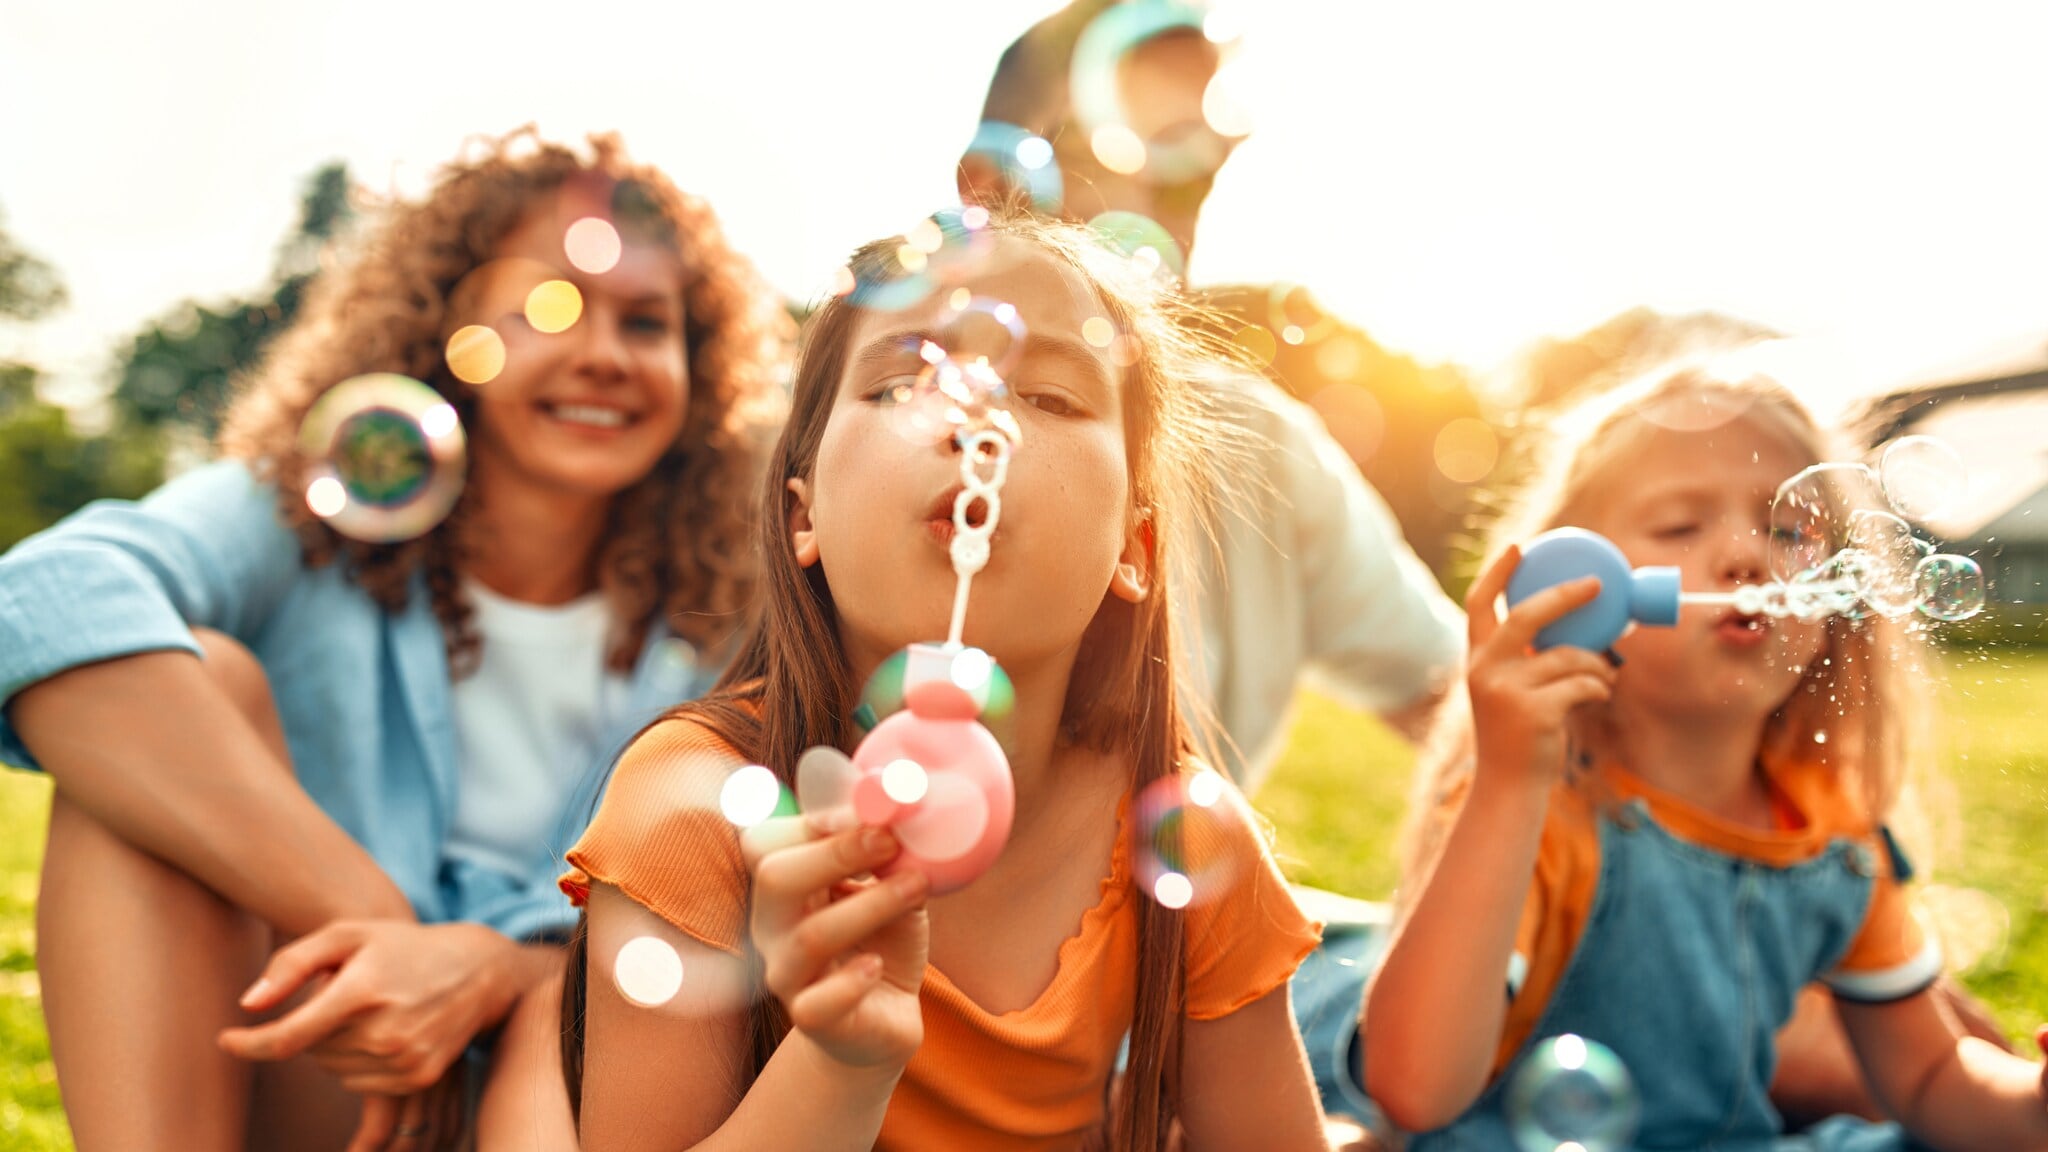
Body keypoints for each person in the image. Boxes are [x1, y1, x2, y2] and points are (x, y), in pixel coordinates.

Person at [0, 128, 790, 1150]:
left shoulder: (734, 613)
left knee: (569, 997)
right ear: (446, 334)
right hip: (326, 1058)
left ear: (699, 369)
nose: (600, 353)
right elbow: (45, 598)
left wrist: (494, 972)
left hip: (587, 1096)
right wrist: (371, 915)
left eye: (647, 323)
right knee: (186, 682)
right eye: (547, 308)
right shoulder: (301, 517)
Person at [540, 213, 1330, 1150]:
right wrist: (840, 1063)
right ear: (806, 518)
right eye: (905, 383)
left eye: (1049, 396)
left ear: (1134, 547)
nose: (976, 421)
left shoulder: (1188, 840)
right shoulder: (695, 809)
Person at [1364, 361, 2048, 1148]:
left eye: (1788, 532)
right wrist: (1509, 780)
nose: (1744, 557)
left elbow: (1930, 1079)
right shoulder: (1542, 814)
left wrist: (2035, 1104)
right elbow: (1412, 1091)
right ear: (1583, 589)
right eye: (1681, 525)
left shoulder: (1832, 838)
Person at [958, 0, 1465, 789]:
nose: (1184, 202)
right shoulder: (880, 431)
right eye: (1151, 150)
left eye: (1202, 169)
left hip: (1188, 912)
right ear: (993, 187)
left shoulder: (1254, 439)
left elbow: (1448, 697)